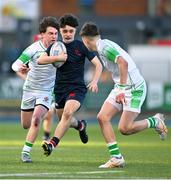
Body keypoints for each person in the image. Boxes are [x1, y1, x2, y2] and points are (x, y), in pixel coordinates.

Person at [79, 22, 168, 168]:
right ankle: (116, 158)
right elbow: (117, 66)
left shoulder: (105, 48)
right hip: (122, 86)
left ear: (85, 40)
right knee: (102, 117)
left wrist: (121, 89)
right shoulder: (102, 46)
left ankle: (155, 121)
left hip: (134, 88)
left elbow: (123, 63)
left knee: (124, 129)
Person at [38, 14, 103, 156]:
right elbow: (40, 60)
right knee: (64, 120)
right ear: (60, 31)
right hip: (60, 89)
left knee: (67, 113)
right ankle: (81, 125)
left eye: (71, 31)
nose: (68, 34)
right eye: (64, 31)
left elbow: (98, 65)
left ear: (75, 31)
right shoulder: (56, 47)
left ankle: (52, 144)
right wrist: (57, 58)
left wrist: (94, 81)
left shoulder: (81, 46)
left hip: (77, 89)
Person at [11, 16, 67, 163]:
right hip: (29, 89)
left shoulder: (60, 49)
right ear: (42, 34)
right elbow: (15, 65)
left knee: (37, 119)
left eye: (56, 33)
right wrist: (21, 67)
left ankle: (26, 152)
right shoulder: (33, 49)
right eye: (50, 33)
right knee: (26, 125)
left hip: (46, 91)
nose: (54, 36)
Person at [16, 33, 55, 141]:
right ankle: (79, 125)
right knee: (26, 124)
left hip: (49, 89)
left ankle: (46, 136)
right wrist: (26, 77)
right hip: (31, 89)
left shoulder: (55, 52)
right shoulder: (33, 54)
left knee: (49, 113)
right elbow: (19, 69)